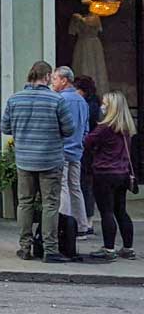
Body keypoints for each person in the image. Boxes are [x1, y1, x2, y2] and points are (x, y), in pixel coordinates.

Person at [1, 60, 74, 263]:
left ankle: (25, 247)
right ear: (48, 76)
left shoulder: (14, 100)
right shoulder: (56, 100)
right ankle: (50, 249)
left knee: (25, 203)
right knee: (50, 204)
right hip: (50, 159)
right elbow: (69, 130)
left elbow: (5, 128)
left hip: (24, 159)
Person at [84, 90, 137, 261]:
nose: (102, 106)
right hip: (122, 173)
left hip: (104, 173)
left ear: (112, 107)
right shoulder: (126, 127)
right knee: (121, 211)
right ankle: (128, 248)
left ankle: (109, 249)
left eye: (105, 103)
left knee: (106, 211)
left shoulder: (104, 128)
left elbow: (87, 141)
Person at [51, 66, 90, 236]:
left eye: (55, 79)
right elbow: (86, 128)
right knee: (75, 187)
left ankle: (65, 226)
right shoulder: (81, 100)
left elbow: (56, 126)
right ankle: (82, 226)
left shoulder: (60, 100)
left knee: (63, 188)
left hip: (62, 149)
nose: (53, 82)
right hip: (77, 150)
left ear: (64, 80)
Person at [74, 75, 101, 234]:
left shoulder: (88, 106)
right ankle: (86, 219)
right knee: (84, 184)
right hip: (89, 149)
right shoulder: (93, 103)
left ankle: (87, 220)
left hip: (87, 150)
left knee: (84, 184)